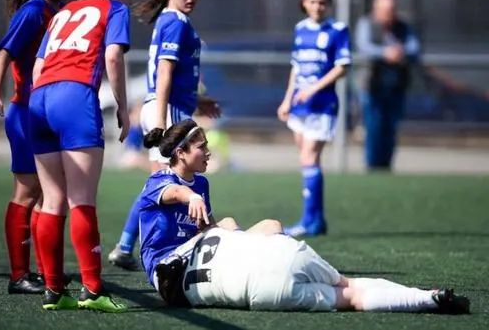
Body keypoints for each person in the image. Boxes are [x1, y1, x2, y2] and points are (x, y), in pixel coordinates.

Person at [139, 120, 470, 315]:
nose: (208, 151)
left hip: (204, 262)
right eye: (201, 147)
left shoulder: (202, 183)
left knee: (264, 226)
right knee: (346, 287)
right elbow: (172, 193)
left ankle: (428, 298)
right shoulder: (161, 182)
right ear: (180, 153)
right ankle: (423, 296)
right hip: (175, 264)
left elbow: (207, 225)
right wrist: (191, 196)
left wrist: (213, 219)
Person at [28, 0, 132, 312]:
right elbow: (114, 56)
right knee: (81, 200)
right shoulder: (115, 8)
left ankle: (54, 291)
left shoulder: (63, 11)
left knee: (52, 200)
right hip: (74, 97)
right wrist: (122, 106)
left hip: (39, 98)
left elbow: (39, 66)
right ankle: (92, 290)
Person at [109, 0, 220, 270]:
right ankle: (134, 248)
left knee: (160, 183)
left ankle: (126, 246)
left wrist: (199, 101)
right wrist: (160, 122)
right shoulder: (175, 22)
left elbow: (177, 76)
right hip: (165, 109)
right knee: (164, 184)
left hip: (168, 107)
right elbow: (165, 73)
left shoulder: (173, 20)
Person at [0, 0, 72, 295]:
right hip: (24, 113)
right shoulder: (33, 12)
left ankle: (44, 272)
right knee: (28, 191)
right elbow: (3, 54)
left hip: (45, 112)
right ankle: (19, 276)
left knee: (47, 193)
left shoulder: (58, 11)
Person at [277, 0, 351, 238]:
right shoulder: (300, 29)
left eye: (322, 2)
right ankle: (317, 220)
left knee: (308, 157)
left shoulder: (338, 30)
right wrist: (287, 99)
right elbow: (296, 68)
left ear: (328, 5)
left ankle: (308, 221)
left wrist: (313, 89)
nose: (318, 6)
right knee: (307, 159)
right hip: (300, 105)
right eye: (313, 1)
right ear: (304, 3)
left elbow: (342, 67)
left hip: (322, 105)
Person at [355, 0, 421, 171]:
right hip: (371, 86)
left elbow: (414, 47)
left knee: (390, 127)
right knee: (373, 126)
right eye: (385, 10)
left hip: (396, 86)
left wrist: (401, 51)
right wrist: (385, 53)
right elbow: (363, 46)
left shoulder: (402, 26)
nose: (389, 13)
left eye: (391, 10)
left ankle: (386, 165)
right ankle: (372, 165)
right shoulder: (366, 23)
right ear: (376, 10)